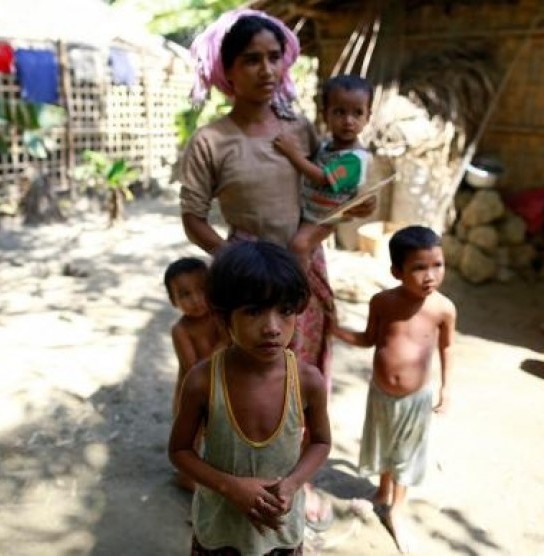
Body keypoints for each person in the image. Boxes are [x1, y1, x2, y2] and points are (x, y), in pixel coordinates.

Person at [179, 7, 375, 528]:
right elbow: (193, 218)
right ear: (227, 70)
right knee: (245, 378)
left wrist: (316, 235)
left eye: (273, 58)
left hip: (302, 273)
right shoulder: (212, 141)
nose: (266, 70)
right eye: (251, 60)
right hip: (243, 282)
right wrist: (234, 261)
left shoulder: (304, 130)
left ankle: (295, 481)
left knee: (301, 376)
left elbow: (330, 196)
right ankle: (232, 479)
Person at [169, 240, 331, 555]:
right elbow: (179, 451)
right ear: (223, 317)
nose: (272, 327)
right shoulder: (203, 381)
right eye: (253, 311)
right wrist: (231, 487)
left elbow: (321, 442)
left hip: (280, 529)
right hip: (220, 528)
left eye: (285, 311)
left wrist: (294, 482)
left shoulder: (307, 381)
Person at [331, 225, 456, 553]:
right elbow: (368, 339)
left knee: (405, 454)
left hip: (416, 399)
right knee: (384, 444)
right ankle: (382, 493)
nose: (430, 275)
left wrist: (447, 389)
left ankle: (397, 511)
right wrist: (336, 330)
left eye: (437, 265)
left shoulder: (443, 309)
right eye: (419, 267)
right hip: (381, 393)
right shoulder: (382, 302)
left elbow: (447, 349)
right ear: (396, 271)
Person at [273, 74, 373, 268]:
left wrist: (292, 154)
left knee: (299, 245)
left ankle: (297, 287)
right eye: (339, 112)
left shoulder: (355, 159)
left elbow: (322, 178)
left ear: (368, 117)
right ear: (325, 114)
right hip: (311, 211)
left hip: (325, 217)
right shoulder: (327, 144)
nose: (348, 121)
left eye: (357, 113)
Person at [164, 257, 229, 491]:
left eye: (202, 290)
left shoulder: (220, 316)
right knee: (190, 440)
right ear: (173, 301)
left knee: (221, 438)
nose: (196, 300)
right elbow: (194, 369)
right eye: (185, 295)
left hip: (221, 391)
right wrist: (224, 342)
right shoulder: (180, 330)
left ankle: (213, 476)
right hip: (191, 396)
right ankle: (187, 477)